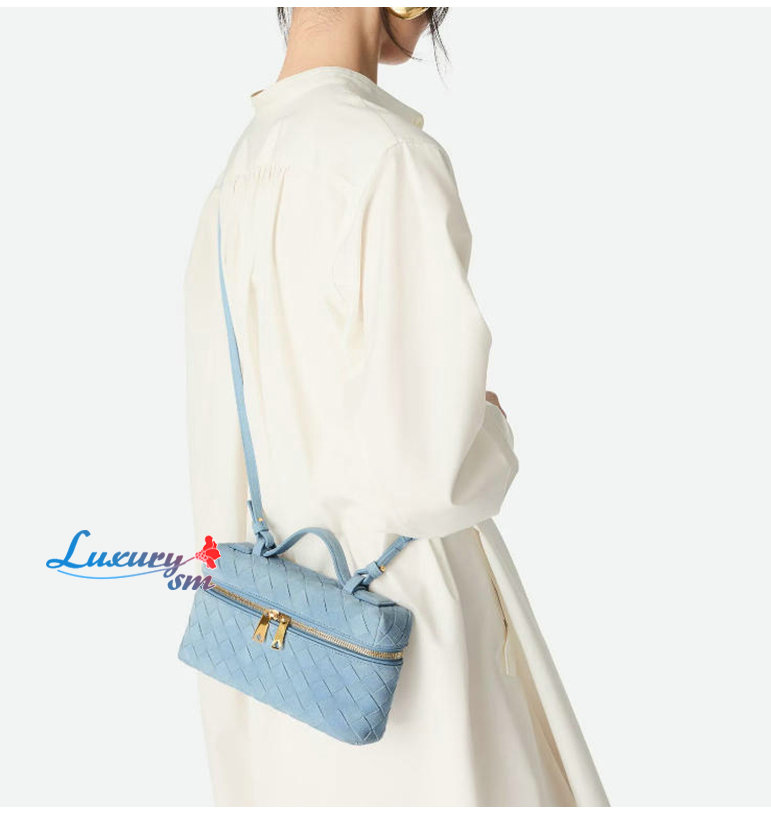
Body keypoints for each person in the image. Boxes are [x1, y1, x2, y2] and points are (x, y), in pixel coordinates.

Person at [184, 6, 608, 806]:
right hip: (408, 655)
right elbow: (433, 475)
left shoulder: (234, 176)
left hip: (280, 663)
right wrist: (488, 425)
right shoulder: (387, 159)